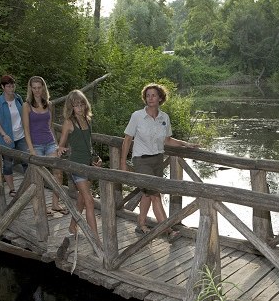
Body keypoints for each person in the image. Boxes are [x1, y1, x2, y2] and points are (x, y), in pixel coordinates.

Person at [119, 83, 198, 241]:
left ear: (160, 98)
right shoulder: (137, 116)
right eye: (147, 95)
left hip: (157, 160)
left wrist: (185, 144)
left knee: (147, 194)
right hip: (141, 160)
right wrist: (123, 162)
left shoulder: (164, 117)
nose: (150, 98)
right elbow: (127, 139)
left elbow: (167, 140)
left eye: (153, 95)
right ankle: (167, 230)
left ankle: (141, 224)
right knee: (155, 195)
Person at [58, 90, 102, 238]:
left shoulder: (87, 120)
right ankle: (95, 239)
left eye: (82, 104)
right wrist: (61, 149)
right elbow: (62, 144)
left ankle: (72, 226)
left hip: (88, 164)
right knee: (89, 201)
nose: (80, 108)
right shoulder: (69, 122)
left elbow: (88, 144)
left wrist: (96, 158)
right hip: (76, 165)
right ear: (71, 106)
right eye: (76, 105)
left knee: (82, 199)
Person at [22, 76, 66, 214]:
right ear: (30, 89)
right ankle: (42, 206)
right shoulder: (26, 105)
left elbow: (50, 126)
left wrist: (57, 145)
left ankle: (55, 203)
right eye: (34, 88)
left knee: (58, 173)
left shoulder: (49, 104)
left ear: (43, 88)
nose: (36, 91)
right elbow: (26, 129)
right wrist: (31, 149)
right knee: (38, 176)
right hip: (36, 145)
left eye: (39, 87)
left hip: (50, 142)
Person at [0, 75, 27, 197]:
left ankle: (29, 185)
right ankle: (12, 189)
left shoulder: (18, 98)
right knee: (7, 163)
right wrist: (4, 134)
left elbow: (24, 115)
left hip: (21, 136)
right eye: (8, 86)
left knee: (27, 161)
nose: (11, 88)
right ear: (3, 87)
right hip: (6, 137)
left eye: (13, 86)